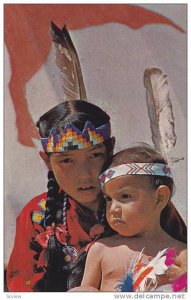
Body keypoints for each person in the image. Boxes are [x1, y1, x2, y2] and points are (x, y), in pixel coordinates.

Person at [6, 100, 115, 292]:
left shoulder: (143, 200)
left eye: (95, 155)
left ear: (110, 150)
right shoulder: (36, 215)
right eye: (66, 160)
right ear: (47, 161)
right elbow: (21, 287)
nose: (84, 174)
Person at [70, 144, 187, 292]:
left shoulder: (181, 254)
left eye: (124, 196)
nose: (113, 209)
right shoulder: (101, 249)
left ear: (159, 198)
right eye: (108, 199)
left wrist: (180, 278)